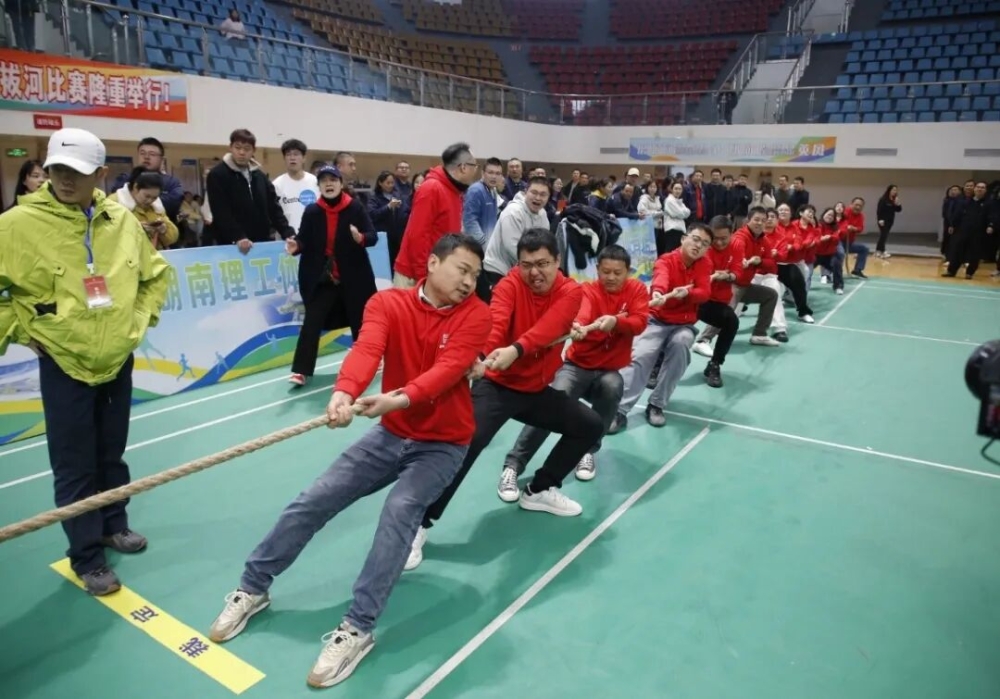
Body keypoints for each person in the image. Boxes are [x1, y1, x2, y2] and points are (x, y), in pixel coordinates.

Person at [207, 234, 492, 688]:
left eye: (475, 275)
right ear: (432, 263)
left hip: (442, 444)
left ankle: (358, 628)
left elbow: (448, 371)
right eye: (463, 270)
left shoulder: (476, 315)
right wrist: (344, 392)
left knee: (400, 512)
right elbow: (367, 349)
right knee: (315, 499)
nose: (469, 282)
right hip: (391, 433)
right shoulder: (387, 304)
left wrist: (398, 398)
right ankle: (252, 587)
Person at [0, 128, 170, 595]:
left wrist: (136, 323)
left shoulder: (121, 220)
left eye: (76, 171)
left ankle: (114, 523)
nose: (64, 179)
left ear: (100, 173)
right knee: (75, 464)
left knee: (110, 454)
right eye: (56, 169)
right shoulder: (16, 225)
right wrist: (25, 331)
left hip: (117, 357)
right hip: (64, 363)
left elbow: (155, 276)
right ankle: (87, 555)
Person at [407, 229, 602, 570]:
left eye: (542, 263)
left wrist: (516, 349)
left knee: (589, 425)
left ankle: (539, 491)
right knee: (464, 445)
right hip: (497, 386)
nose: (534, 272)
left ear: (558, 261)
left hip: (536, 390)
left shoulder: (571, 291)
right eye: (526, 265)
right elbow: (495, 321)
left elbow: (551, 326)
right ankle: (417, 524)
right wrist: (482, 355)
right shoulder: (510, 284)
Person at [502, 244, 648, 482]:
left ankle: (587, 450)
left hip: (608, 371)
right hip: (576, 366)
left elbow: (640, 322)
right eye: (606, 271)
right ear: (597, 269)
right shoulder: (586, 291)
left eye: (617, 272)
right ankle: (513, 464)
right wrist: (579, 324)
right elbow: (582, 313)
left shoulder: (637, 290)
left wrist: (616, 323)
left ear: (628, 271)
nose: (611, 277)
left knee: (613, 385)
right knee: (553, 402)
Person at [610, 224, 713, 432]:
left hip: (683, 324)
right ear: (683, 239)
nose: (698, 245)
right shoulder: (666, 260)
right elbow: (661, 278)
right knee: (640, 356)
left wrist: (688, 294)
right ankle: (619, 411)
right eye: (695, 239)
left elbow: (704, 292)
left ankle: (657, 404)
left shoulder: (704, 264)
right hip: (656, 320)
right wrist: (658, 292)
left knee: (681, 347)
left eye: (704, 244)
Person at [287, 165, 378, 386]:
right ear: (319, 186)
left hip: (353, 275)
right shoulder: (312, 211)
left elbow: (372, 236)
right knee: (312, 321)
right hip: (323, 278)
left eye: (333, 180)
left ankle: (368, 360)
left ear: (340, 183)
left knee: (360, 320)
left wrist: (361, 238)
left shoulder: (355, 207)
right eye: (324, 181)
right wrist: (297, 246)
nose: (329, 184)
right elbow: (303, 239)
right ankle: (301, 371)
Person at [393, 143, 479, 288]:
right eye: (474, 166)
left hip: (436, 272)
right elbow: (417, 236)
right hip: (414, 276)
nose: (476, 171)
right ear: (463, 167)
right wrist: (423, 277)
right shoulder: (432, 188)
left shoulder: (455, 192)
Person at [108, 167, 180, 250]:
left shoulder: (156, 206)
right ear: (136, 187)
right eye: (147, 196)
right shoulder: (114, 203)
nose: (150, 201)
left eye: (154, 197)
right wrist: (135, 230)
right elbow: (107, 236)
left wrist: (164, 230)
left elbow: (173, 237)